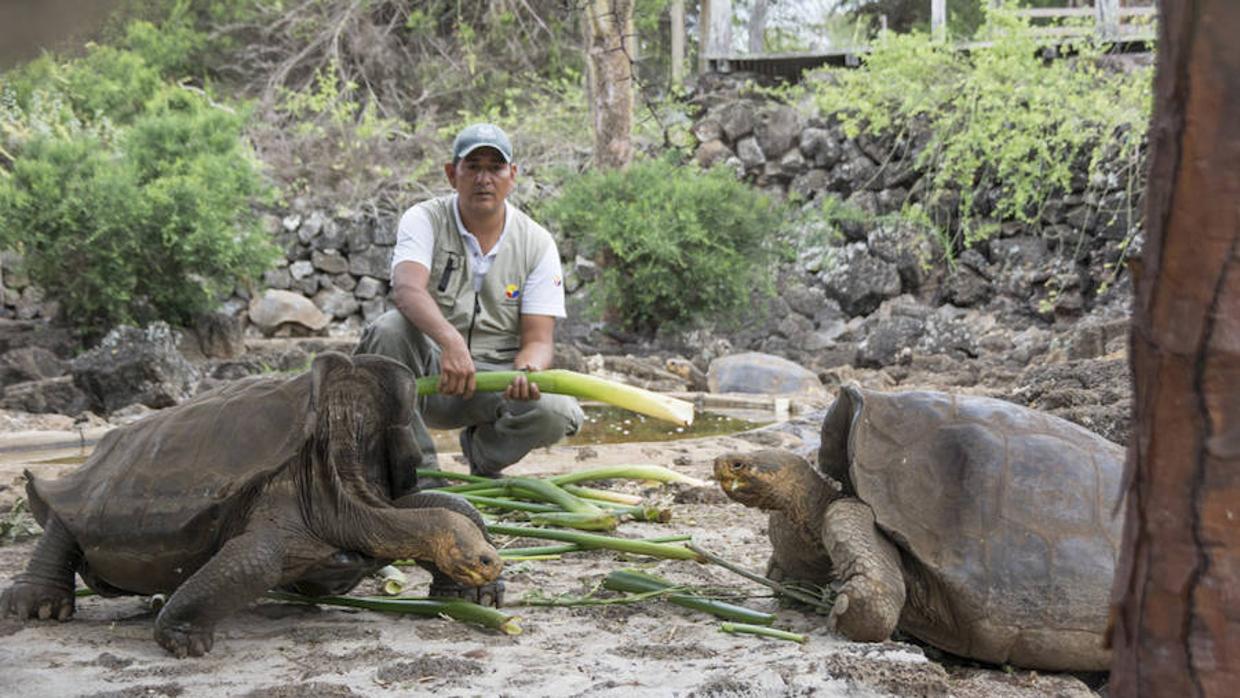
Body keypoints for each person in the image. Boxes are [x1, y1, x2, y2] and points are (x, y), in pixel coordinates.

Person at [356, 123, 583, 480]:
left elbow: (538, 340)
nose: (484, 178)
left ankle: (484, 457)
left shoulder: (537, 243)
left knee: (555, 411)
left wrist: (527, 372)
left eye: (495, 167)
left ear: (512, 176)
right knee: (388, 330)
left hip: (494, 382)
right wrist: (450, 341)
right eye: (473, 166)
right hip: (429, 376)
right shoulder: (424, 218)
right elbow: (407, 289)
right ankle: (420, 475)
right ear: (452, 174)